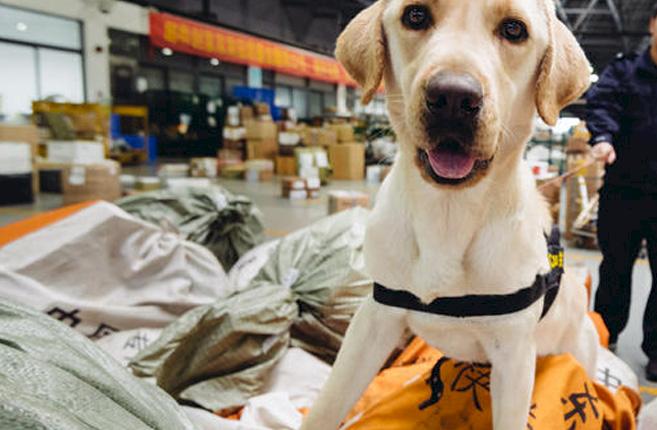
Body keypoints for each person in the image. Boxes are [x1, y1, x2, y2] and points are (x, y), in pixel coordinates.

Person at [586, 3, 657, 381]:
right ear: (652, 25)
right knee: (614, 270)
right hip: (624, 192)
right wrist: (602, 138)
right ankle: (604, 338)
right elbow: (602, 103)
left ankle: (656, 352)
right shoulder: (624, 69)